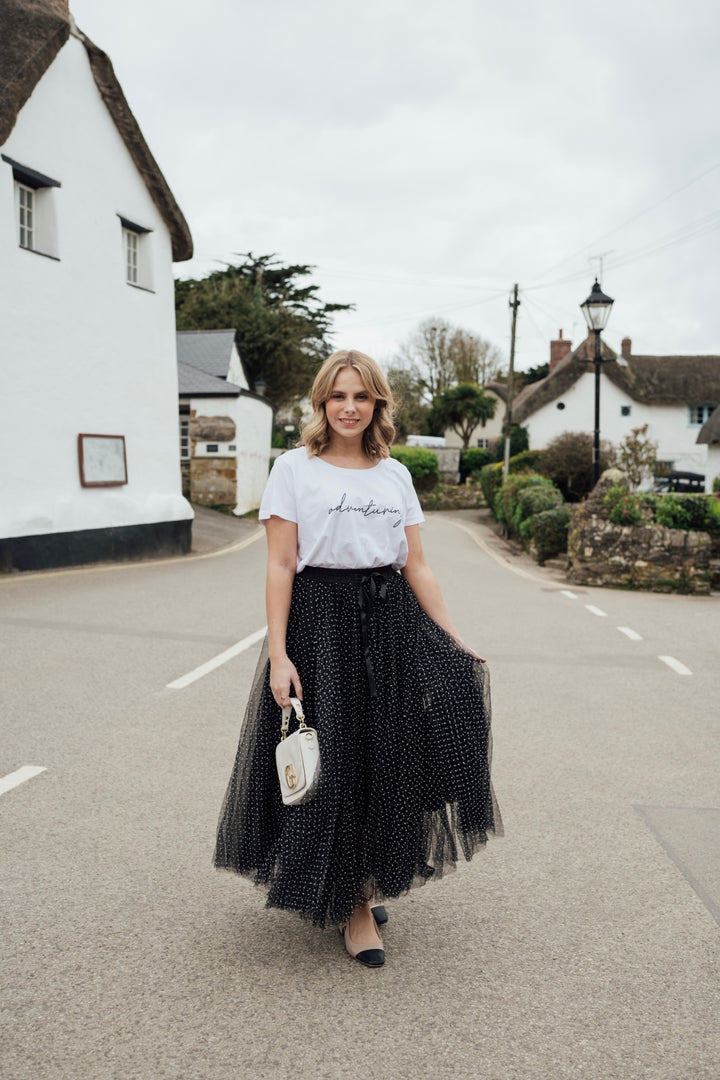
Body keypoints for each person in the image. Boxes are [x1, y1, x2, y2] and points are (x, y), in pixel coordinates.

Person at [214, 349, 501, 968]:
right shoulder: (294, 468)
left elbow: (415, 564)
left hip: (389, 618)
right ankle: (352, 904)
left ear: (377, 405)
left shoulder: (394, 473)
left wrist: (451, 636)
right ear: (322, 403)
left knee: (391, 753)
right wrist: (279, 651)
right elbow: (281, 563)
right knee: (336, 761)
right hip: (322, 624)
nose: (349, 407)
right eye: (338, 396)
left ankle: (362, 884)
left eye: (361, 397)